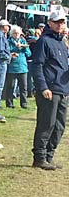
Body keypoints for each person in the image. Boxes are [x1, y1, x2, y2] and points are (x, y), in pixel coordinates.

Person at [31, 10, 69, 170]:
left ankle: (49, 155)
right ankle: (39, 157)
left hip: (63, 90)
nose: (60, 25)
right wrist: (43, 87)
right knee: (47, 124)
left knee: (59, 126)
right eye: (57, 22)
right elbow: (37, 65)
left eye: (62, 22)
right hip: (49, 90)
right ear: (50, 23)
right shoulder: (44, 41)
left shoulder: (62, 42)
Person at [5, 25, 31, 109]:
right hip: (12, 67)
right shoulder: (8, 41)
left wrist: (24, 48)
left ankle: (24, 103)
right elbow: (7, 51)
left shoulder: (23, 41)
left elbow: (29, 54)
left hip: (22, 67)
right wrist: (14, 49)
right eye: (14, 33)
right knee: (10, 86)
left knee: (23, 87)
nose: (16, 35)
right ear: (12, 34)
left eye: (18, 33)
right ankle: (9, 103)